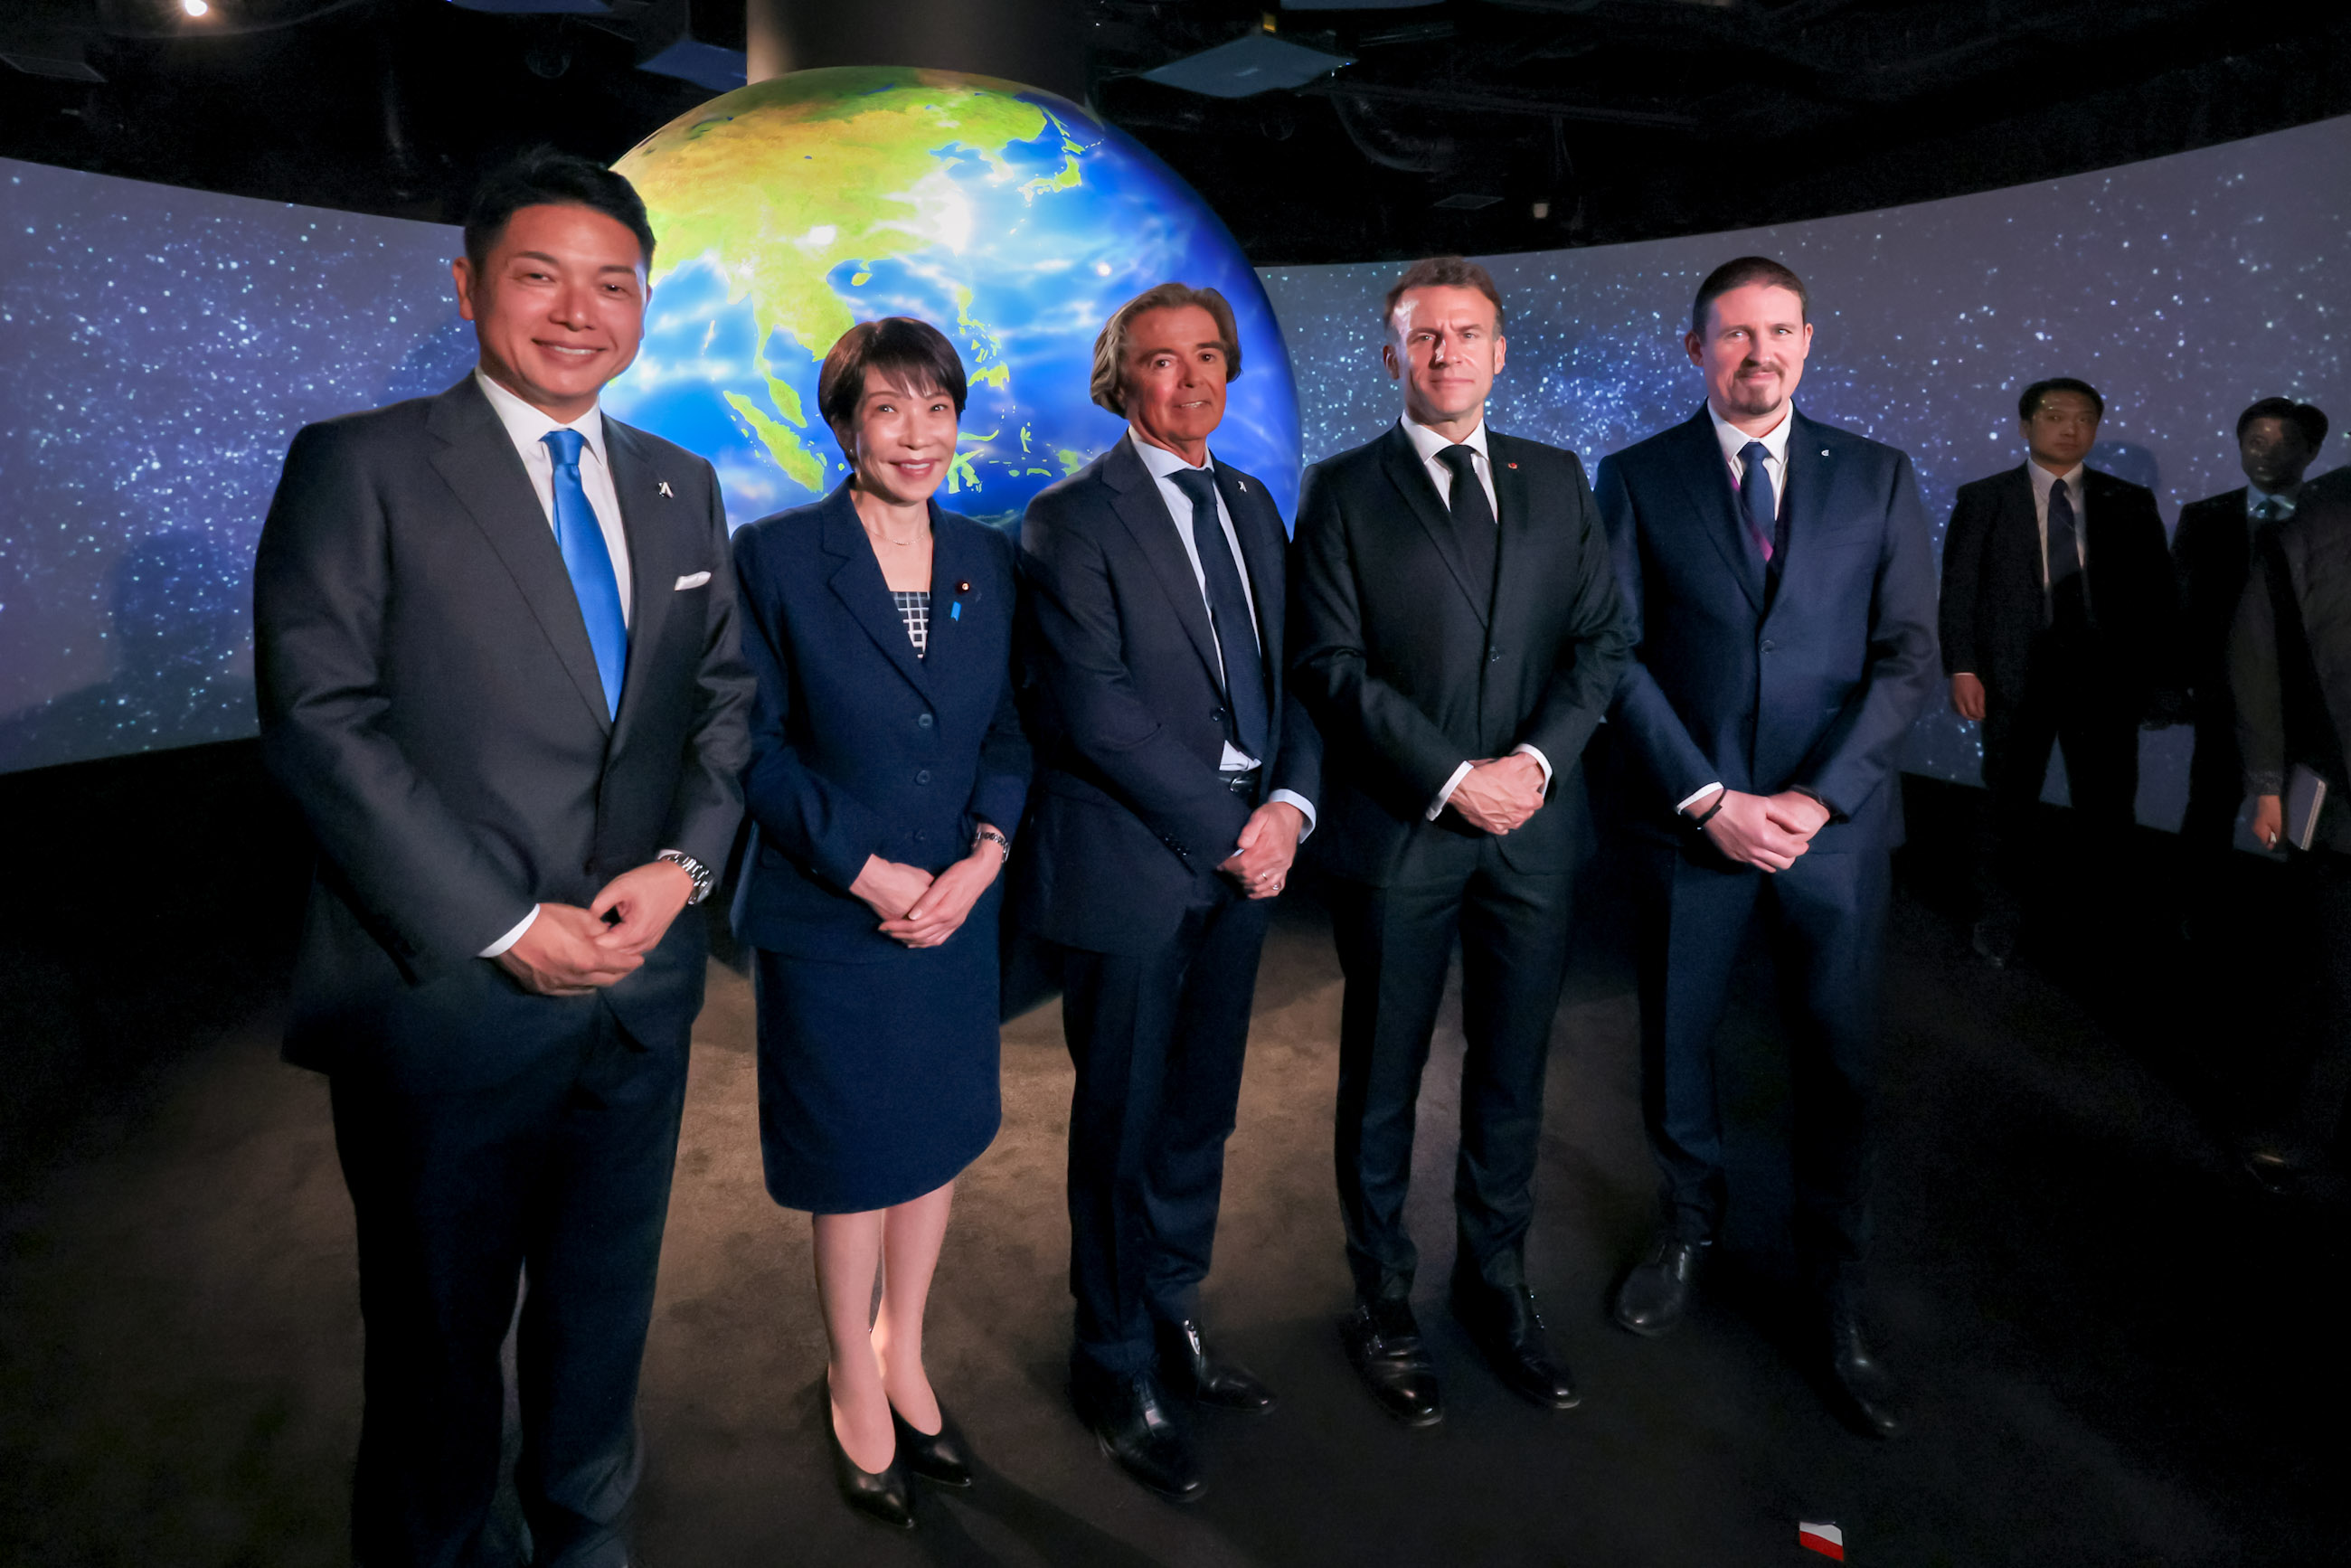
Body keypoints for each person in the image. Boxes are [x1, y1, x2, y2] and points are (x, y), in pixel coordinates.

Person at [252, 151, 753, 1567]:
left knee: (603, 1319)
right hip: (448, 1003)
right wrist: (503, 923)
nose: (580, 312)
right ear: (471, 286)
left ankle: (586, 1531)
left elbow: (724, 703)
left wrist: (686, 868)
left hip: (638, 996)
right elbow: (321, 721)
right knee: (435, 1347)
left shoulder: (680, 484)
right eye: (542, 276)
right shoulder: (361, 465)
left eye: (615, 284)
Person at [1595, 256, 1937, 1440]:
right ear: (1695, 348)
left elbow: (1907, 657)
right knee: (1676, 1045)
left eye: (1779, 330)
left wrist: (1817, 800)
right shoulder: (1636, 476)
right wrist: (1708, 798)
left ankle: (1830, 1288)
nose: (1759, 353)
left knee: (1836, 1062)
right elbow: (1614, 653)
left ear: (1806, 340)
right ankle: (1687, 1229)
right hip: (1690, 825)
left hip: (1830, 834)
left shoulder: (1877, 475)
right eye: (1735, 334)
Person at [1290, 256, 1630, 1428]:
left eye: (1467, 333)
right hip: (1402, 832)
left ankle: (1496, 1283)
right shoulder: (1341, 489)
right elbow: (1330, 664)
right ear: (1393, 355)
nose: (1446, 354)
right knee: (1382, 1080)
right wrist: (1450, 778)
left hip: (1534, 829)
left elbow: (1601, 641)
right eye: (1424, 336)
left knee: (1511, 1072)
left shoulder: (1558, 477)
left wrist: (1531, 765)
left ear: (1499, 352)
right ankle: (1382, 1298)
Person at [1013, 282, 1319, 1503]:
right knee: (1124, 1119)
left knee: (1201, 1108)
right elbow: (1095, 711)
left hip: (1249, 854)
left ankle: (1171, 1305)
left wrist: (1290, 806)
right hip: (1134, 860)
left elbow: (1294, 678)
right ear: (1118, 378)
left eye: (1206, 358)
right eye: (1159, 360)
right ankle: (1110, 1357)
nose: (1188, 381)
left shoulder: (1250, 503)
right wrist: (1235, 830)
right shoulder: (1068, 519)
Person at [729, 316, 1030, 1529]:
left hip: (956, 910)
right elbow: (750, 746)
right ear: (845, 423)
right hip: (834, 912)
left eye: (937, 408)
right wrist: (870, 872)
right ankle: (850, 1371)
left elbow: (1008, 730)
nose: (917, 434)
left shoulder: (989, 558)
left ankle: (904, 1345)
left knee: (936, 1137)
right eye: (889, 408)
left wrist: (984, 856)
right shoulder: (776, 557)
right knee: (853, 1157)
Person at [1939, 377, 2182, 968]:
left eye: (2084, 418)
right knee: (2008, 804)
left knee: (2107, 808)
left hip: (2104, 682)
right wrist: (1963, 666)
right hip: (2013, 676)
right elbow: (1961, 588)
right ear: (2025, 426)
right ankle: (2000, 918)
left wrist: (2160, 684)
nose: (2070, 428)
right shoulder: (1985, 497)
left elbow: (2157, 600)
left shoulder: (2128, 500)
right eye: (2054, 415)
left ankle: (2103, 925)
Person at [2231, 469, 2351, 1195]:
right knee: (2329, 972)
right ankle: (2304, 1121)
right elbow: (2257, 657)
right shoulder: (2317, 520)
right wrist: (2268, 782)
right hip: (2335, 798)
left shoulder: (2312, 518)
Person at [2176, 399, 2329, 854]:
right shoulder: (2203, 516)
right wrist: (2177, 684)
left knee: (2308, 822)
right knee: (2209, 808)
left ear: (2311, 452)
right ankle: (2198, 896)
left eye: (2285, 444)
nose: (2267, 454)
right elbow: (2181, 608)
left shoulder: (2332, 519)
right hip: (2222, 694)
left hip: (2312, 698)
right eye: (2256, 442)